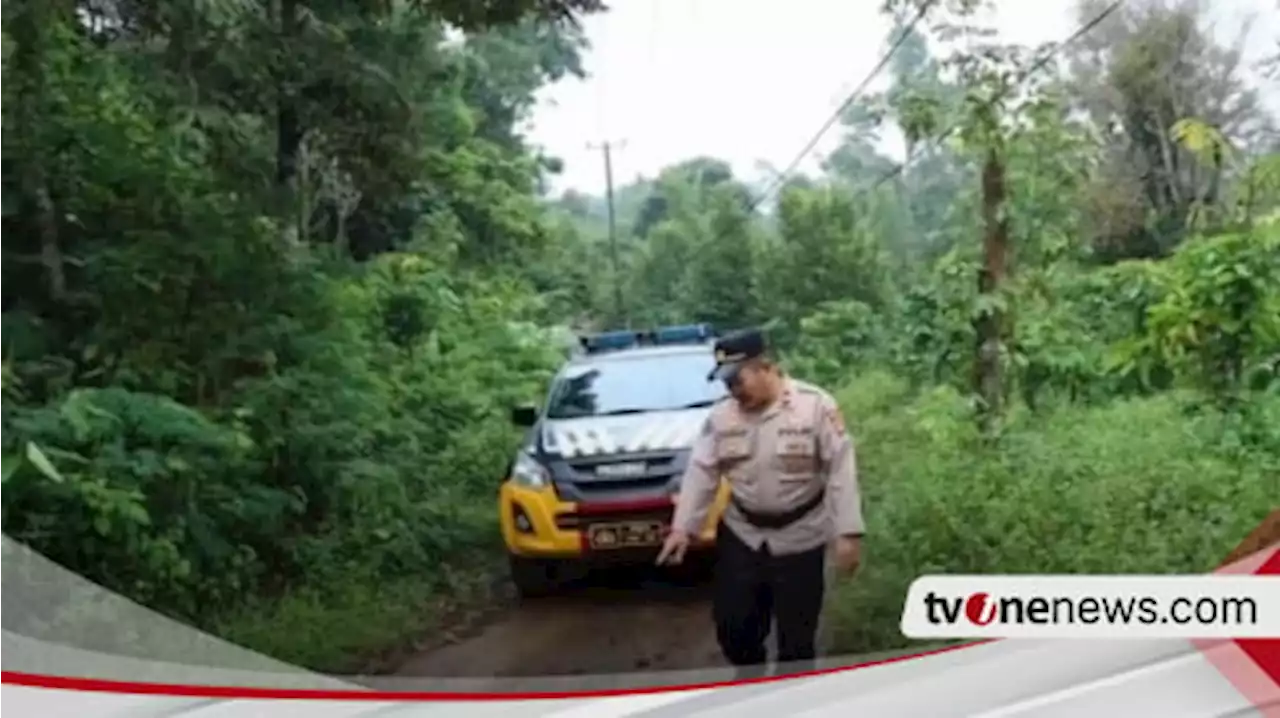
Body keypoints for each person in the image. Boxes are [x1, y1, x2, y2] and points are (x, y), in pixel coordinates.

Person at [655, 327, 864, 678]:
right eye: (726, 384)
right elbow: (701, 472)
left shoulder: (815, 407)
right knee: (734, 628)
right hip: (743, 533)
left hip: (802, 537)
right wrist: (683, 528)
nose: (733, 391)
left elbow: (841, 470)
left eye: (738, 381)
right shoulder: (722, 417)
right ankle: (750, 678)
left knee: (796, 643)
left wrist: (849, 533)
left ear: (765, 367)